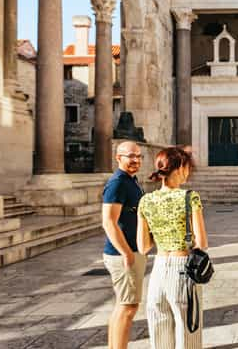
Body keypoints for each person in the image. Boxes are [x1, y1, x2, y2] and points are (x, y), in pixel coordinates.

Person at [137, 147, 208, 349]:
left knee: (159, 333)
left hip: (158, 270)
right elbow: (202, 242)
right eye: (187, 167)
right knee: (188, 332)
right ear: (178, 168)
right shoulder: (189, 197)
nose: (188, 172)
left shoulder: (145, 201)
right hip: (183, 269)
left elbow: (143, 247)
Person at [102, 141, 146, 349]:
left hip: (129, 251)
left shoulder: (130, 181)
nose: (136, 160)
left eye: (138, 156)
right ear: (118, 157)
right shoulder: (118, 182)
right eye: (131, 156)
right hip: (123, 254)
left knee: (123, 305)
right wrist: (127, 253)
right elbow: (108, 221)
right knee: (128, 307)